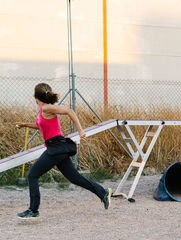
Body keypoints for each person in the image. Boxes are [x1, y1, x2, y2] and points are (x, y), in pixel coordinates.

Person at [15, 83, 112, 220]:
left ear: (35, 96)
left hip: (57, 147)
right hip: (56, 147)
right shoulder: (43, 109)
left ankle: (33, 210)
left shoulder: (47, 108)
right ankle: (103, 193)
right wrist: (24, 125)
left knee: (32, 175)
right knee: (75, 178)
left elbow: (69, 111)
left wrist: (80, 130)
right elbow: (40, 126)